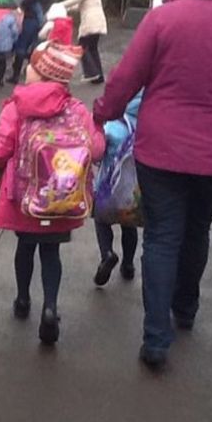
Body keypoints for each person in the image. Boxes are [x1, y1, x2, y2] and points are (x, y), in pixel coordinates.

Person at [93, 0, 212, 371]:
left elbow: (125, 77)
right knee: (198, 228)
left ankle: (156, 341)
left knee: (162, 236)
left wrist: (103, 114)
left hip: (162, 153)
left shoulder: (161, 19)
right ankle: (185, 309)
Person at [0, 40, 105, 344]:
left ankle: (23, 299)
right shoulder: (76, 108)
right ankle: (50, 308)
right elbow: (96, 149)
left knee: (25, 248)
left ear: (41, 72)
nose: (25, 67)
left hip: (25, 199)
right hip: (63, 198)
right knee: (51, 252)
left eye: (31, 64)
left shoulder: (17, 107)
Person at [93, 92, 142, 286]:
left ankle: (107, 253)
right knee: (129, 226)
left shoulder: (113, 128)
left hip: (108, 191)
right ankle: (128, 264)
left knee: (101, 221)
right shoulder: (148, 130)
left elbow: (97, 153)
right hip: (133, 194)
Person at [60, 0, 107, 84]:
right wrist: (67, 8)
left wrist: (60, 5)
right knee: (92, 48)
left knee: (82, 47)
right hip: (97, 21)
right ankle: (98, 76)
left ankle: (92, 73)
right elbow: (78, 5)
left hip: (91, 22)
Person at [7, 0, 48, 84]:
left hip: (29, 22)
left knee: (21, 48)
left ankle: (16, 75)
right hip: (37, 24)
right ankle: (31, 73)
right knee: (33, 48)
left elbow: (26, 3)